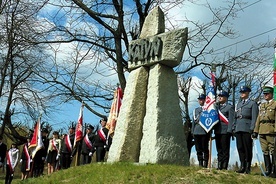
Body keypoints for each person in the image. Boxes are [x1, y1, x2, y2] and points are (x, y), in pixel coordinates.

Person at [233, 86, 258, 174]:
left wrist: (253, 129)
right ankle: (242, 165)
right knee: (240, 148)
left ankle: (247, 167)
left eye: (243, 92)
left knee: (247, 148)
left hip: (247, 128)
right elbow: (235, 117)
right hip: (238, 128)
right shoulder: (238, 104)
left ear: (248, 93)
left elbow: (254, 117)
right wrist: (234, 127)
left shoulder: (252, 103)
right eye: (241, 92)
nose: (242, 94)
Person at [252, 86, 276, 176]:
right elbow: (259, 118)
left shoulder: (274, 104)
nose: (265, 95)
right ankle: (268, 170)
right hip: (262, 130)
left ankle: (274, 170)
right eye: (264, 94)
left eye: (267, 94)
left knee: (273, 150)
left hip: (271, 130)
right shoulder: (262, 105)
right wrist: (256, 131)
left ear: (271, 94)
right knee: (265, 151)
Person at [214, 90, 234, 170]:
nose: (220, 98)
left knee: (225, 148)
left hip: (225, 130)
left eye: (221, 96)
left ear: (225, 98)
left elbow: (231, 120)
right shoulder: (216, 107)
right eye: (219, 96)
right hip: (218, 130)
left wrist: (230, 130)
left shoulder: (229, 107)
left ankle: (224, 165)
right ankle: (219, 164)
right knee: (219, 148)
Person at [192, 94, 210, 168]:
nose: (200, 101)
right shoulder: (196, 110)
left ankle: (205, 163)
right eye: (199, 99)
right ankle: (200, 163)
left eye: (202, 99)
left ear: (205, 100)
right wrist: (192, 131)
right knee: (198, 149)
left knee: (205, 148)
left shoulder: (208, 109)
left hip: (204, 131)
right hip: (196, 131)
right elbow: (193, 121)